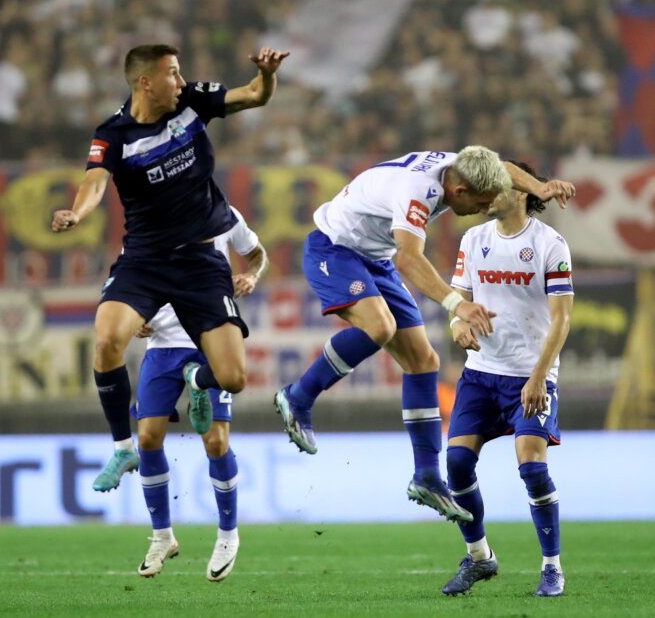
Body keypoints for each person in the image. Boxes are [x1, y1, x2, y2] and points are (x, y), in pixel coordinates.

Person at [273, 146, 575, 522]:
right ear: (460, 192)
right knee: (380, 326)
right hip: (336, 248)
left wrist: (539, 188)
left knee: (423, 360)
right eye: (480, 202)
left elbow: (506, 167)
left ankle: (427, 476)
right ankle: (298, 397)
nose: (483, 209)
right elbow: (410, 259)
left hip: (374, 256)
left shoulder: (463, 165)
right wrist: (457, 305)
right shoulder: (418, 191)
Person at [51, 43, 288, 493]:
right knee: (106, 341)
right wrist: (77, 214)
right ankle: (123, 449)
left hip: (200, 262)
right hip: (145, 260)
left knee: (234, 378)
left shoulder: (194, 102)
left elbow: (255, 95)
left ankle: (197, 380)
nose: (181, 82)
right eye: (173, 74)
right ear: (145, 82)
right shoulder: (114, 135)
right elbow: (94, 182)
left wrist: (268, 74)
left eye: (181, 73)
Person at [438, 162, 572, 597]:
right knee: (456, 465)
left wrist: (538, 377)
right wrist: (457, 326)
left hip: (530, 379)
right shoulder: (473, 239)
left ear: (520, 192)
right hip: (481, 376)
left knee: (532, 469)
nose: (486, 193)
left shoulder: (550, 245)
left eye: (496, 186)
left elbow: (562, 319)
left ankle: (552, 567)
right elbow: (461, 303)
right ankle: (479, 557)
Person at [133, 205, 268, 580]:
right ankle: (162, 536)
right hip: (162, 344)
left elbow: (257, 253)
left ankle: (228, 535)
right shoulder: (147, 216)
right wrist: (134, 314)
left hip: (209, 336)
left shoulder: (222, 213)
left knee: (215, 443)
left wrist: (252, 275)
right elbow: (129, 277)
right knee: (147, 438)